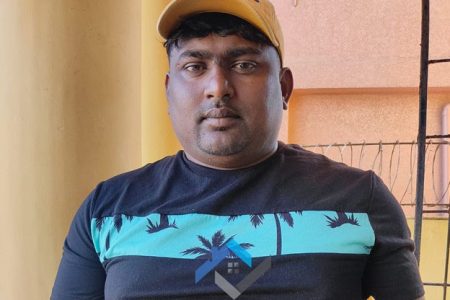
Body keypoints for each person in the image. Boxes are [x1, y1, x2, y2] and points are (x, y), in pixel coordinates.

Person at [52, 0, 425, 299]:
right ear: (168, 90)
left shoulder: (360, 202)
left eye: (244, 64)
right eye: (195, 66)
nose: (218, 87)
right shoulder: (108, 212)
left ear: (284, 88)